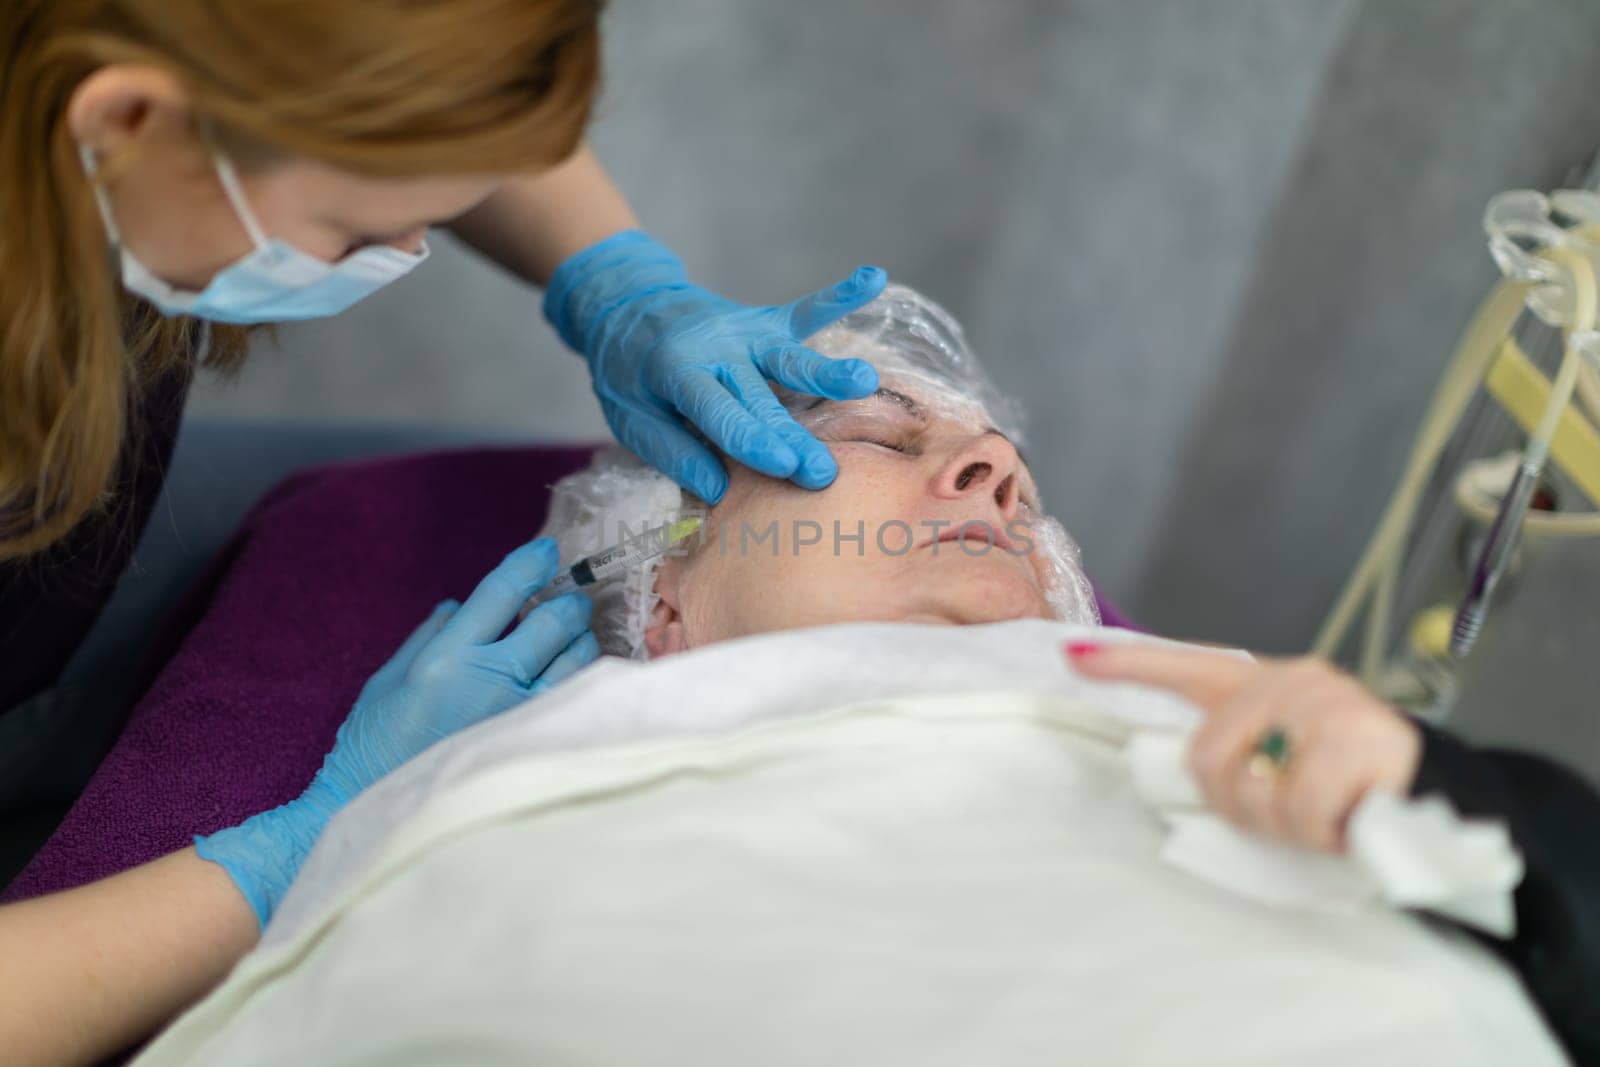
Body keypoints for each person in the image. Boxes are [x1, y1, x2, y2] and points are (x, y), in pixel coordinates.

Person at [3, 286, 1597, 1064]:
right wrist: (328, 842)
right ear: (665, 599)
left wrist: (1488, 814)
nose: (988, 474)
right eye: (883, 440)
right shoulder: (510, 794)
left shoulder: (1251, 704)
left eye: (1006, 476)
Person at [0, 0, 889, 743]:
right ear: (124, 123)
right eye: (356, 230)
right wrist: (273, 858)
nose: (408, 251)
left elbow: (423, 116)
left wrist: (617, 282)